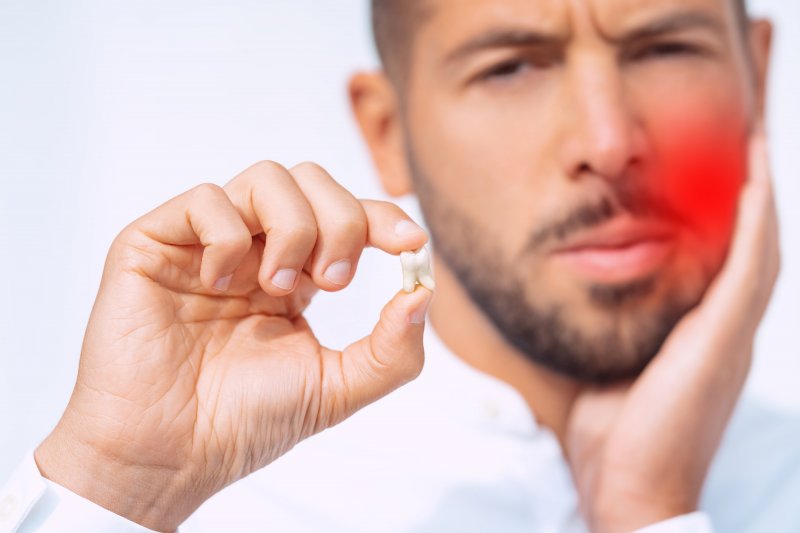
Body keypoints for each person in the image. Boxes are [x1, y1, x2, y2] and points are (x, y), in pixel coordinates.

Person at [1, 0, 797, 531]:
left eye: (664, 48)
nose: (607, 140)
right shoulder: (232, 502)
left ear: (756, 76)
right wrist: (120, 485)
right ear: (385, 131)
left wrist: (648, 512)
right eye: (511, 66)